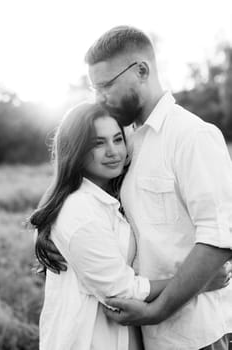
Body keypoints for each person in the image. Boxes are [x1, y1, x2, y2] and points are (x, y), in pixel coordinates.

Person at [82, 26, 232, 350]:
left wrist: (155, 311)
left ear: (142, 70)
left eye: (106, 85)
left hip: (197, 335)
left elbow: (219, 239)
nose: (100, 98)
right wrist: (53, 233)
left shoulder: (192, 136)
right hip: (145, 337)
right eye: (94, 88)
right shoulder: (126, 144)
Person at [30, 102, 177, 350]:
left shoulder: (115, 196)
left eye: (117, 139)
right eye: (98, 143)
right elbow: (122, 291)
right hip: (89, 340)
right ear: (75, 150)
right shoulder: (80, 210)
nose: (113, 152)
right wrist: (199, 282)